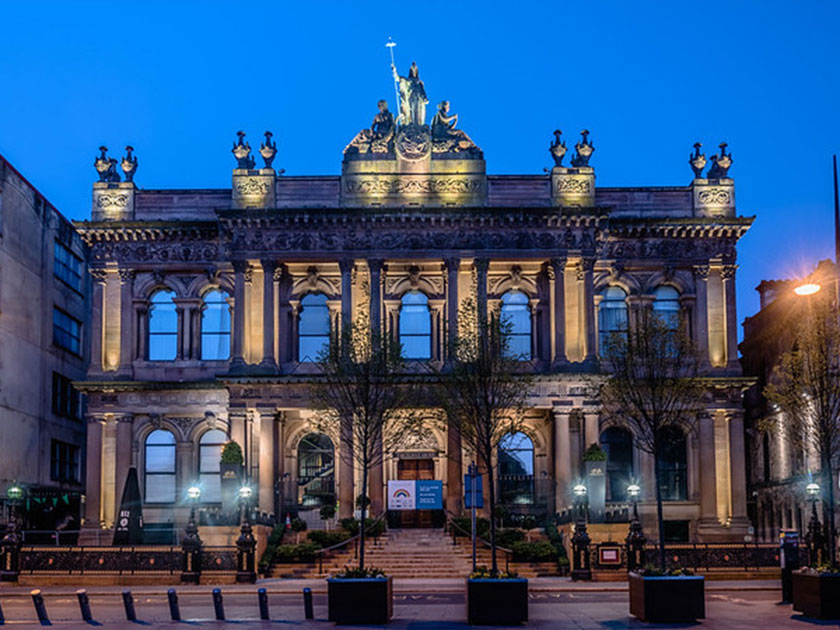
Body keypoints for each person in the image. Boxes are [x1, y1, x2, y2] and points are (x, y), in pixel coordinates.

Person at [392, 61, 428, 126]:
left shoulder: (419, 82)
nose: (414, 73)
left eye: (415, 71)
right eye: (413, 71)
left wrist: (425, 98)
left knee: (419, 112)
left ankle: (418, 125)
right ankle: (411, 124)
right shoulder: (407, 80)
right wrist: (394, 70)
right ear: (411, 71)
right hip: (411, 97)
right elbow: (397, 78)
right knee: (411, 111)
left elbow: (422, 90)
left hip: (419, 99)